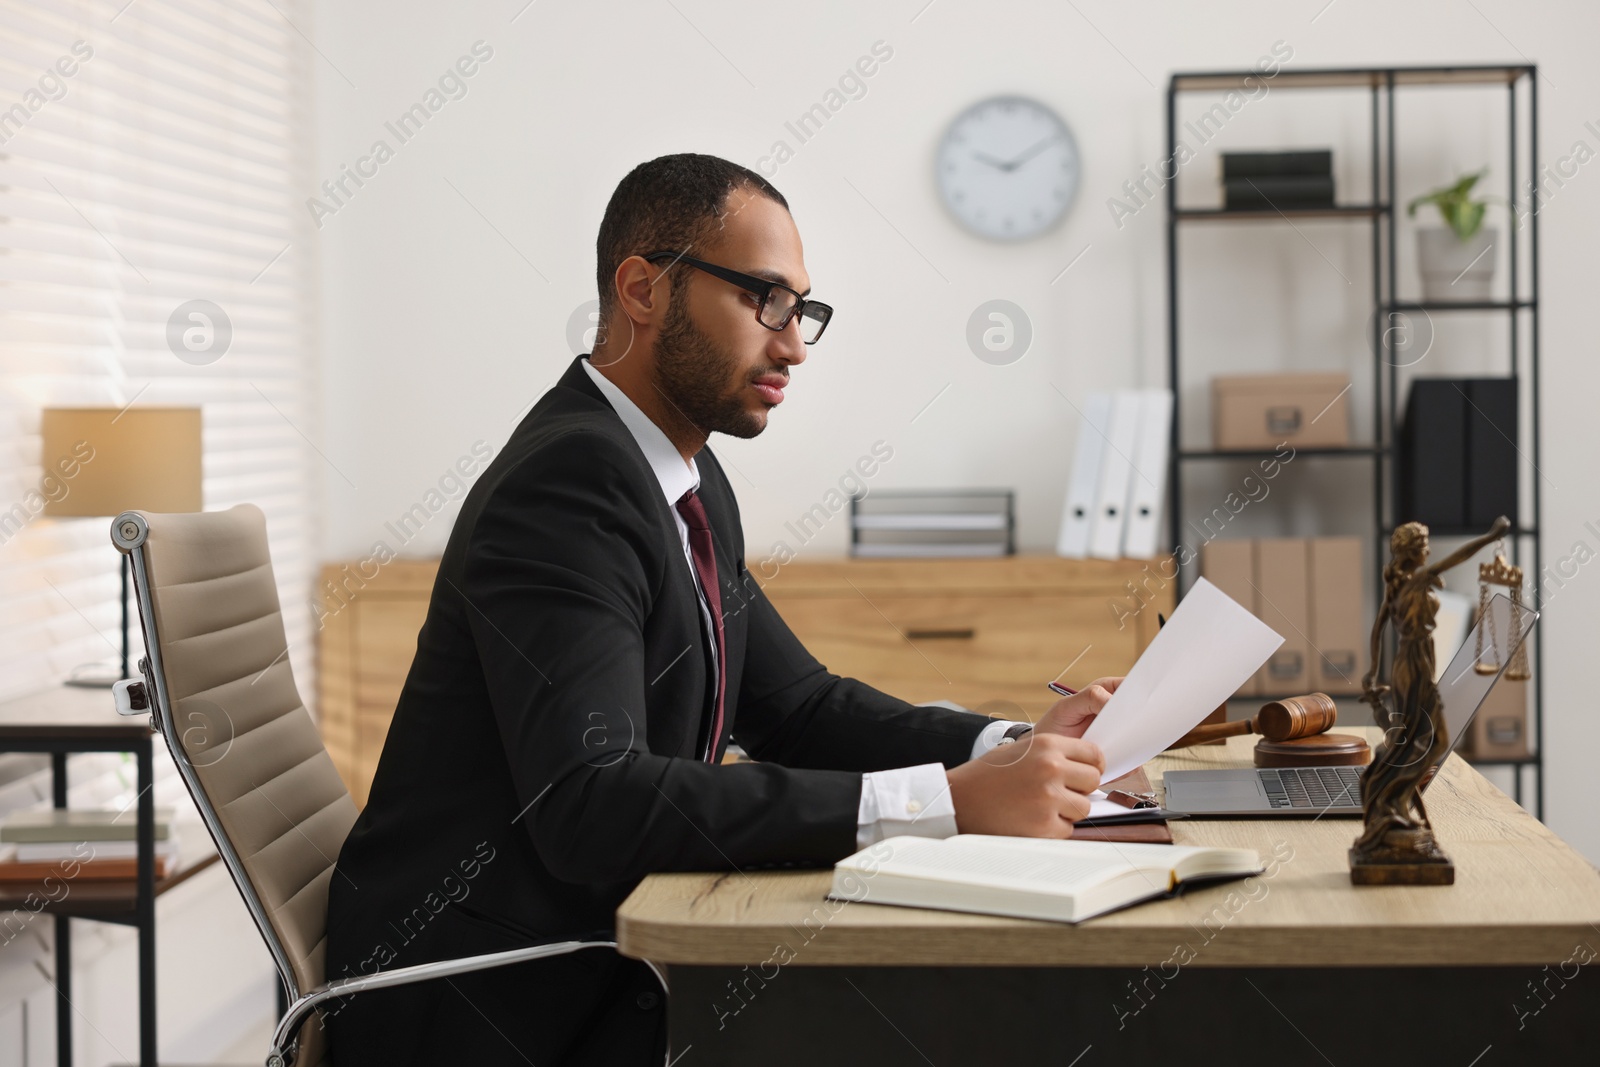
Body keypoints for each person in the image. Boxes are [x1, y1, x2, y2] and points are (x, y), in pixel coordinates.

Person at [323, 152, 1115, 1066]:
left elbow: (797, 706)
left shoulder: (682, 476)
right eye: (764, 300)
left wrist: (1007, 748)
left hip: (612, 944)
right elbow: (591, 801)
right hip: (498, 999)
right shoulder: (567, 485)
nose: (794, 345)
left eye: (803, 309)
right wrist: (943, 803)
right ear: (643, 288)